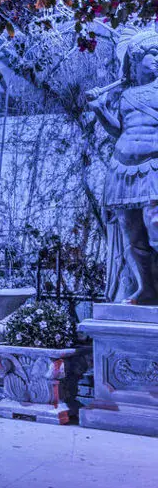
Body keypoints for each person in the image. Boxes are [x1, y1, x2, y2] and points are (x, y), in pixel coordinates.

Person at [87, 29, 158, 304]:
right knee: (132, 233)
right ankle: (146, 289)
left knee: (155, 225)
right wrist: (99, 108)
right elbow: (119, 130)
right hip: (123, 169)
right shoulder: (126, 95)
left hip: (154, 167)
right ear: (137, 61)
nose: (157, 60)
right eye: (152, 55)